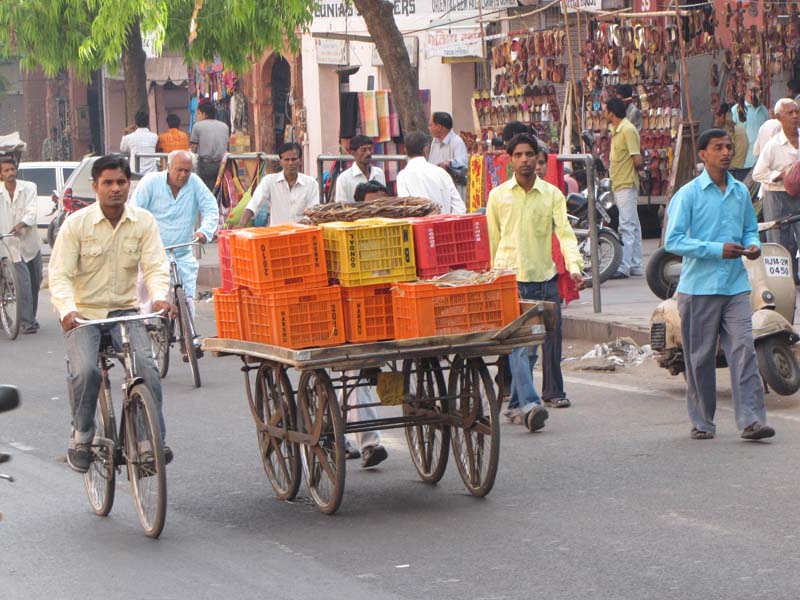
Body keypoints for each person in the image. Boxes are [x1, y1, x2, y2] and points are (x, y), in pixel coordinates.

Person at [48, 155, 177, 472]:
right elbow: (60, 275)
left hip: (126, 312)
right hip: (85, 315)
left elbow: (156, 266)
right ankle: (81, 435)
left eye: (121, 182)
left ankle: (150, 443)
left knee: (146, 367)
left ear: (129, 185)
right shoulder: (76, 225)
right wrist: (67, 310)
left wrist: (160, 298)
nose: (115, 189)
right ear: (95, 186)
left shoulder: (143, 221)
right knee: (87, 373)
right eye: (108, 183)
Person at [665, 128, 775, 441]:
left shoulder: (740, 192)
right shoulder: (687, 194)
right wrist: (716, 249)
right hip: (698, 288)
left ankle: (751, 420)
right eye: (718, 148)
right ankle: (702, 421)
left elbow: (750, 230)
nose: (726, 152)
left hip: (736, 286)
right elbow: (674, 240)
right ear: (703, 155)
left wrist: (753, 246)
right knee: (699, 359)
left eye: (728, 147)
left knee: (744, 351)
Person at [487, 133, 583, 431]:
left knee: (532, 348)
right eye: (518, 155)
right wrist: (493, 276)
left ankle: (516, 404)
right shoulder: (498, 196)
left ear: (537, 158)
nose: (525, 160)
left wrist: (575, 266)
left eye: (529, 154)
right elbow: (493, 239)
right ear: (510, 159)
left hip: (544, 279)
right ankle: (529, 403)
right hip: (511, 279)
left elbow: (565, 234)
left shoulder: (552, 194)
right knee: (519, 348)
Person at [131, 149, 219, 327]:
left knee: (187, 298)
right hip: (153, 253)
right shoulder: (151, 181)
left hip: (182, 251)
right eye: (179, 170)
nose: (183, 175)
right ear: (168, 167)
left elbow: (211, 208)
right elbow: (134, 211)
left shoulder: (194, 183)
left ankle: (189, 338)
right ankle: (147, 333)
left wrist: (204, 232)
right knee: (147, 299)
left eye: (187, 171)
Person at [753, 99, 800, 255]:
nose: (795, 116)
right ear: (779, 118)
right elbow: (758, 173)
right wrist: (781, 175)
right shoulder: (773, 145)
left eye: (797, 112)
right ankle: (784, 279)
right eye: (790, 113)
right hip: (777, 197)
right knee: (780, 244)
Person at [0, 157, 42, 334]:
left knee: (35, 281)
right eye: (6, 171)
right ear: (1, 174)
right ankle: (27, 322)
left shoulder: (29, 187)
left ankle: (30, 317)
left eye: (12, 169)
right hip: (10, 246)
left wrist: (21, 224)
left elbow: (32, 211)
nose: (10, 173)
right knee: (23, 282)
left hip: (30, 243)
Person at [236, 142, 318, 227]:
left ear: (300, 160)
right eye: (287, 160)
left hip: (303, 234)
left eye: (294, 159)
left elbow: (314, 212)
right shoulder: (269, 181)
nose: (290, 163)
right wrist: (241, 225)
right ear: (280, 162)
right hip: (277, 235)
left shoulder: (311, 184)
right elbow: (254, 203)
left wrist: (300, 225)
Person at [606, 97, 644, 279]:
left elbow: (636, 158)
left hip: (626, 182)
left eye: (605, 111)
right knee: (633, 225)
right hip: (620, 182)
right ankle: (635, 264)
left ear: (611, 113)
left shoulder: (627, 130)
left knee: (626, 226)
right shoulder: (617, 130)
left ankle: (624, 266)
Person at [395, 132, 466, 214]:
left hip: (420, 225)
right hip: (444, 224)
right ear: (426, 148)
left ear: (405, 151)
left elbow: (405, 209)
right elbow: (460, 208)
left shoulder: (402, 176)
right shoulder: (441, 173)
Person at [428, 111, 468, 200]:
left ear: (439, 127)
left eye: (431, 125)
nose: (429, 128)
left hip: (452, 191)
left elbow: (464, 163)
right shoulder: (434, 142)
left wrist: (449, 163)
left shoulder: (456, 142)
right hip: (437, 188)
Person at [190, 103, 230, 192]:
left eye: (198, 113)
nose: (198, 116)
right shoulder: (225, 126)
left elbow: (193, 146)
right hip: (222, 165)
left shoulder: (197, 126)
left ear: (204, 114)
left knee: (205, 191)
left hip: (205, 165)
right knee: (220, 191)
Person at [334, 135, 385, 202]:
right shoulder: (343, 179)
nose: (368, 153)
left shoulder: (379, 173)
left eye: (370, 149)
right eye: (364, 150)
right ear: (353, 153)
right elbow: (341, 207)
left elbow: (384, 200)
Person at [731, 85, 770, 173]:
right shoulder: (736, 110)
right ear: (747, 91)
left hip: (761, 163)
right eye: (756, 90)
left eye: (760, 90)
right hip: (743, 163)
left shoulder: (764, 110)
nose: (760, 92)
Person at [713, 103, 750, 181]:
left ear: (722, 116)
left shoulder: (729, 128)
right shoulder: (735, 126)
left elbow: (731, 151)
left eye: (716, 118)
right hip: (741, 163)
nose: (716, 121)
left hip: (735, 166)